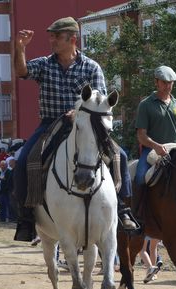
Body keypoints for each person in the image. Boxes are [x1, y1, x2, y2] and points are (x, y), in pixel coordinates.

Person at [13, 16, 137, 241]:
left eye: (56, 36)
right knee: (23, 161)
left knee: (120, 155)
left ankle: (122, 209)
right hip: (50, 123)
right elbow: (22, 72)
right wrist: (20, 48)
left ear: (72, 39)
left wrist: (78, 112)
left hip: (86, 125)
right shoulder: (44, 64)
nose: (51, 40)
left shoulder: (91, 67)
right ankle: (26, 218)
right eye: (51, 36)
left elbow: (99, 100)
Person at [133, 65, 176, 192]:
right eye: (164, 82)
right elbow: (141, 136)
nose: (168, 86)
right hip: (151, 151)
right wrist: (156, 146)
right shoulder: (146, 105)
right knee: (140, 177)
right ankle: (137, 210)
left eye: (170, 83)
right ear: (156, 82)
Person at [0, 158, 14, 222]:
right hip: (0, 191)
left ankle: (10, 218)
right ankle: (2, 218)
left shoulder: (9, 172)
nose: (2, 166)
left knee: (9, 205)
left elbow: (9, 181)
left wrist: (6, 189)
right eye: (1, 165)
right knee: (1, 205)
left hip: (6, 191)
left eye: (3, 165)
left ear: (6, 166)